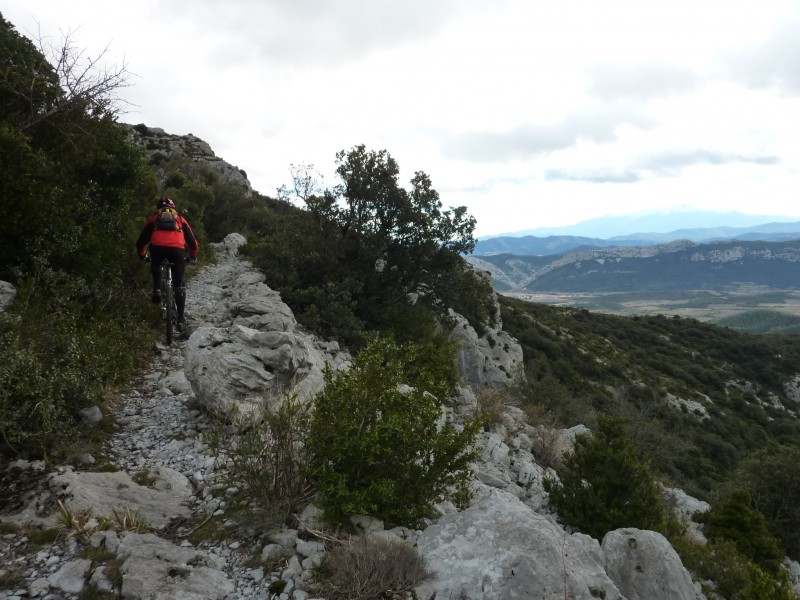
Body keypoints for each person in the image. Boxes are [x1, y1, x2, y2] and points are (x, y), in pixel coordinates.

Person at [136, 197, 199, 331]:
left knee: (156, 263)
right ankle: (180, 321)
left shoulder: (154, 219)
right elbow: (193, 244)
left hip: (157, 248)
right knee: (179, 285)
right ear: (173, 208)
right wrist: (192, 257)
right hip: (177, 251)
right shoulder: (180, 220)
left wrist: (142, 256)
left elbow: (140, 242)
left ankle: (157, 289)